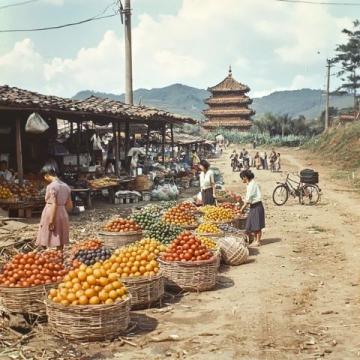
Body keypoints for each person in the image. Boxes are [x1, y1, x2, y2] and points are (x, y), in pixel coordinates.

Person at [36, 164, 72, 251]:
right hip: (63, 212)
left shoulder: (51, 186)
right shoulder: (66, 186)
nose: (45, 179)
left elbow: (54, 204)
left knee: (46, 233)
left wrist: (51, 220)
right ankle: (60, 255)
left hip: (51, 212)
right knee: (60, 236)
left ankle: (45, 255)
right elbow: (70, 204)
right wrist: (64, 214)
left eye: (44, 177)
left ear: (47, 175)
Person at [240, 170, 265, 247]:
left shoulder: (252, 185)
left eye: (242, 178)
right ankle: (255, 240)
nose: (242, 180)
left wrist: (242, 209)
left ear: (245, 177)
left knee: (257, 225)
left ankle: (258, 241)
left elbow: (248, 199)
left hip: (256, 206)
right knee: (252, 223)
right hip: (254, 206)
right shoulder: (250, 184)